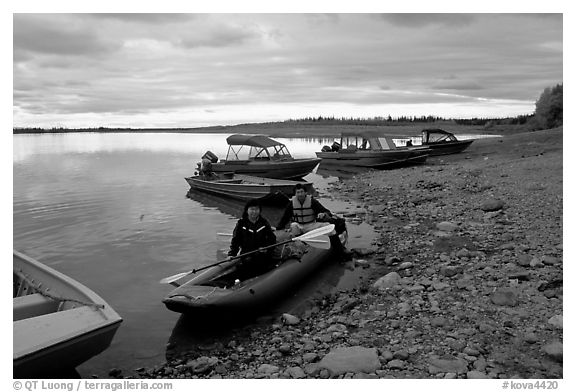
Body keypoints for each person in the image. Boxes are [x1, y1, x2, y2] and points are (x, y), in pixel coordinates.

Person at [277, 184, 351, 260]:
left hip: (311, 225)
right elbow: (285, 218)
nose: (300, 194)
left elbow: (326, 211)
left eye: (302, 192)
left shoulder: (312, 202)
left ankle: (341, 252)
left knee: (330, 229)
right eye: (298, 192)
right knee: (293, 225)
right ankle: (298, 248)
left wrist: (323, 214)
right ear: (295, 194)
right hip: (298, 226)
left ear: (305, 193)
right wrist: (278, 229)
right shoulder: (291, 204)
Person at [228, 198, 277, 280]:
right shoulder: (241, 224)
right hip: (247, 254)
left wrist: (267, 248)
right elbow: (235, 241)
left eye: (256, 209)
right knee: (246, 267)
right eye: (252, 209)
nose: (254, 212)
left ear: (260, 210)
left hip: (262, 254)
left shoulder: (264, 223)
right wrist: (231, 254)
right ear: (247, 210)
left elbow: (272, 239)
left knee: (265, 264)